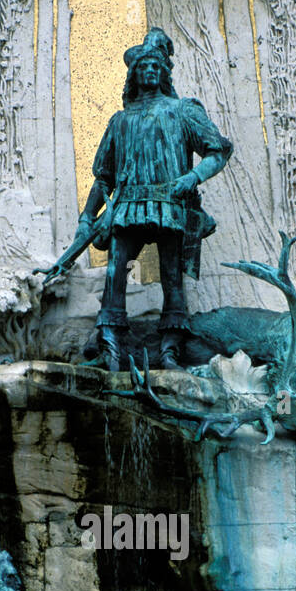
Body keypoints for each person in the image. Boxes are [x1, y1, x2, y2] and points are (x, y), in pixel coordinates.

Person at [76, 27, 233, 371]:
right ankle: (111, 342)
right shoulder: (120, 120)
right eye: (143, 67)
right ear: (134, 74)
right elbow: (104, 177)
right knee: (116, 273)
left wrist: (191, 178)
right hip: (128, 206)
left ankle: (171, 347)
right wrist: (87, 216)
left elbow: (217, 151)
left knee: (171, 276)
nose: (149, 71)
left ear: (164, 73)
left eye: (156, 67)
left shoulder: (182, 111)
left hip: (170, 204)